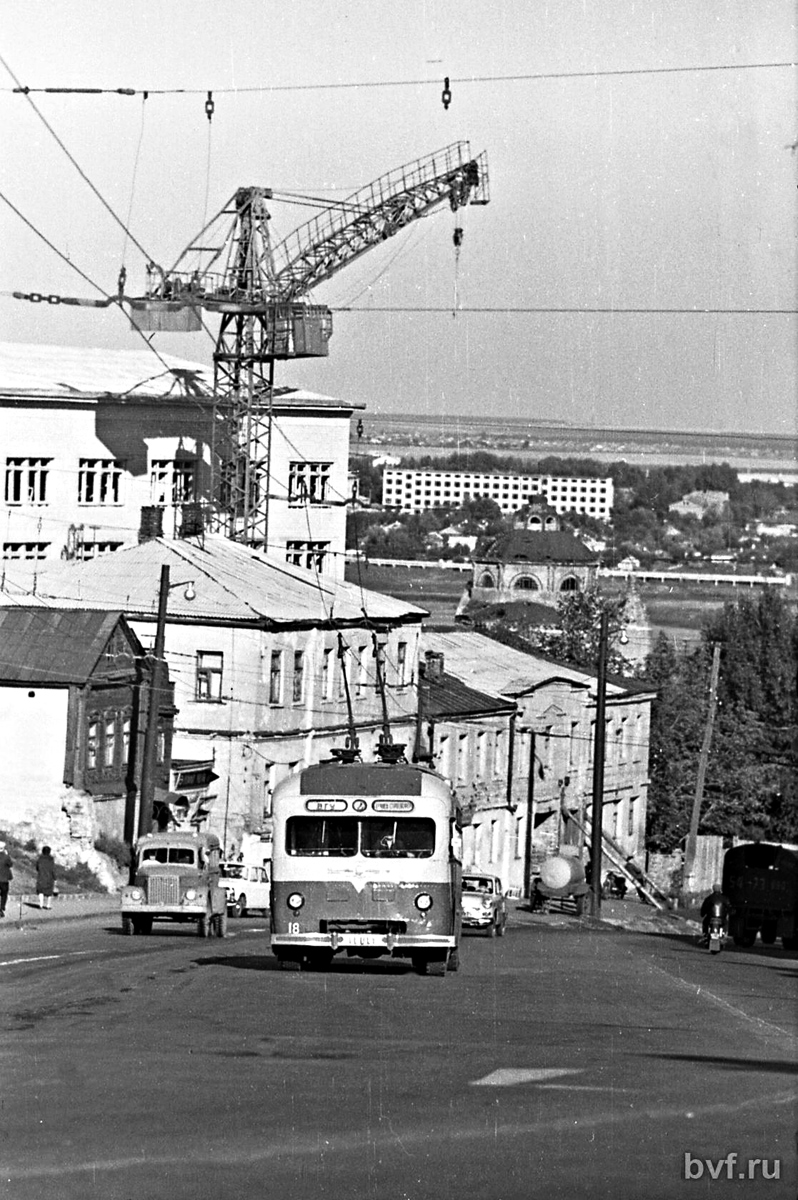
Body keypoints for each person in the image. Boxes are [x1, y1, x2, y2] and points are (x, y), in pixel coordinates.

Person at [36, 846, 57, 910]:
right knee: (49, 892)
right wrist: (55, 877)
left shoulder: (40, 859)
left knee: (40, 891)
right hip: (49, 877)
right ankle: (48, 905)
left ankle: (41, 905)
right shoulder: (51, 859)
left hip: (41, 877)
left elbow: (37, 868)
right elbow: (53, 869)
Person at [0, 840, 13, 917]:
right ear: (3, 848)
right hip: (4, 879)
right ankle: (1, 908)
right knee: (4, 894)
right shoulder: (6, 857)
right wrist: (7, 854)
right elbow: (10, 864)